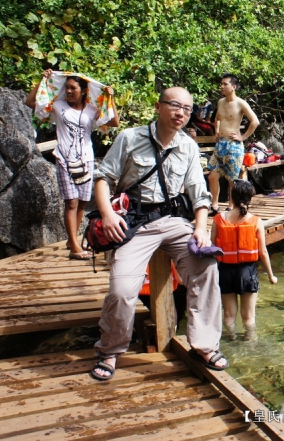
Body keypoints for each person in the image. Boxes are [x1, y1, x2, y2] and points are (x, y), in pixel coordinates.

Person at [89, 87, 226, 381]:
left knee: (207, 267)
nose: (181, 113)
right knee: (123, 289)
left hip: (174, 220)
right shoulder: (129, 138)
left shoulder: (187, 146)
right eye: (175, 106)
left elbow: (199, 196)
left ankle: (203, 344)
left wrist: (201, 229)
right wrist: (108, 214)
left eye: (187, 109)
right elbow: (102, 178)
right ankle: (110, 349)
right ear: (158, 106)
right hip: (135, 224)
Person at [26, 69, 120, 260]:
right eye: (66, 87)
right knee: (71, 202)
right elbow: (30, 103)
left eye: (73, 88)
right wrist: (41, 81)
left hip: (86, 159)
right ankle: (75, 247)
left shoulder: (92, 110)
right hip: (64, 158)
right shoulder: (58, 105)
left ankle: (72, 240)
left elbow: (114, 122)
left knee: (83, 202)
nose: (68, 91)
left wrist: (112, 99)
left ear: (84, 90)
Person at [211, 179, 277, 340]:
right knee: (248, 317)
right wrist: (270, 276)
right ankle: (250, 345)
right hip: (247, 272)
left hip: (225, 271)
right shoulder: (256, 221)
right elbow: (263, 252)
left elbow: (211, 248)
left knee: (228, 315)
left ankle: (231, 340)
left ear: (231, 198)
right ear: (250, 199)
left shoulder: (219, 219)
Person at [208, 74, 260, 214]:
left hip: (234, 145)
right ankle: (214, 206)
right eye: (221, 84)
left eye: (225, 84)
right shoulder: (220, 102)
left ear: (234, 87)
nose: (222, 87)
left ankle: (231, 206)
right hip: (221, 144)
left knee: (232, 180)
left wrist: (242, 137)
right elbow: (217, 118)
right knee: (212, 176)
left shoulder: (241, 103)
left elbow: (255, 122)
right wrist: (217, 132)